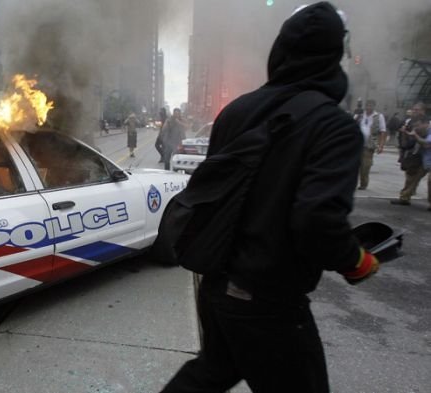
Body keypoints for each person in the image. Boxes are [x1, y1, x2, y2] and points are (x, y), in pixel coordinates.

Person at [161, 3, 379, 392]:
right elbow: (316, 219)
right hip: (269, 302)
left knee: (211, 372)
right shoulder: (334, 126)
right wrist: (357, 260)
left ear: (280, 51)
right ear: (334, 58)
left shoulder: (237, 112)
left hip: (216, 286)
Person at [391, 102, 429, 206]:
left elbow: (423, 138)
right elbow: (406, 141)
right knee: (411, 176)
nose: (414, 111)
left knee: (414, 178)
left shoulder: (426, 122)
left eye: (417, 110)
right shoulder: (410, 121)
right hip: (414, 154)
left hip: (424, 155)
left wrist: (414, 132)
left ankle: (405, 196)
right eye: (414, 109)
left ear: (423, 111)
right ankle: (405, 196)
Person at [353, 99, 386, 190]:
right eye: (367, 105)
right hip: (357, 144)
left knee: (365, 166)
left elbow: (383, 131)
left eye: (371, 105)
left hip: (369, 145)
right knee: (354, 165)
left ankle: (363, 183)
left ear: (374, 106)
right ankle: (352, 183)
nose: (369, 107)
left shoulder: (379, 116)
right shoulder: (359, 115)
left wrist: (381, 145)